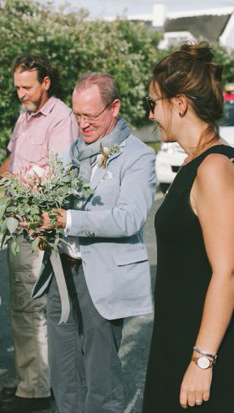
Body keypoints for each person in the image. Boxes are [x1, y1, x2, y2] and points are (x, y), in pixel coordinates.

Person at [34, 72, 156, 412]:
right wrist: (40, 224)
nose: (82, 123)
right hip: (61, 274)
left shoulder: (137, 156)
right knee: (64, 372)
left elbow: (129, 218)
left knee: (101, 376)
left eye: (91, 115)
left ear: (114, 107)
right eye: (77, 115)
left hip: (102, 275)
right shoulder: (68, 154)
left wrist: (68, 220)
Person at [0, 54, 78, 412]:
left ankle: (36, 391)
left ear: (46, 82)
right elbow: (13, 159)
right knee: (23, 306)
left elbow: (56, 176)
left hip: (39, 229)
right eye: (17, 86)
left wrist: (7, 178)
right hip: (19, 223)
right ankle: (30, 382)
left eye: (26, 86)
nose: (20, 93)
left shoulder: (61, 119)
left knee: (32, 306)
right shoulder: (25, 116)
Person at [142, 43, 234, 412]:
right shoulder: (194, 162)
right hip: (177, 335)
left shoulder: (214, 168)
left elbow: (227, 271)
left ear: (179, 103)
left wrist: (202, 361)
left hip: (203, 347)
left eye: (153, 103)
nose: (151, 115)